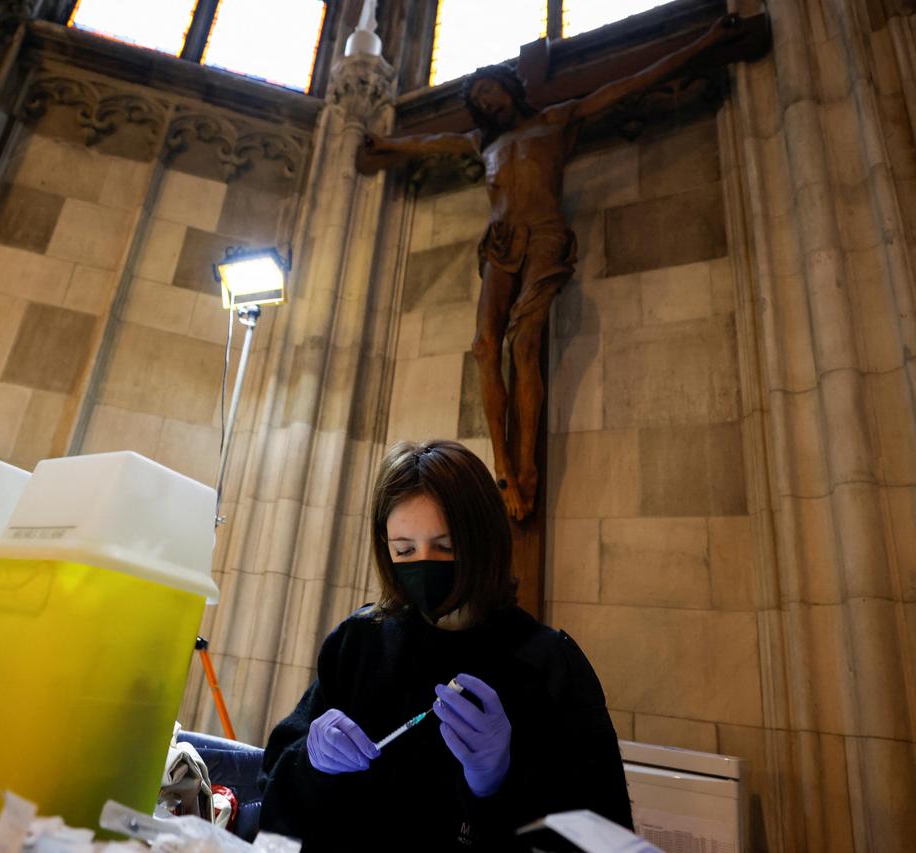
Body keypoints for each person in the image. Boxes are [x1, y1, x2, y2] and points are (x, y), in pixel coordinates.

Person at [356, 15, 745, 522]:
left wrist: (706, 40)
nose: (487, 101)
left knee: (524, 342)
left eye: (493, 89)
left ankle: (527, 468)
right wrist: (384, 146)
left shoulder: (558, 118)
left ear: (512, 89)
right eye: (479, 98)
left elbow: (631, 82)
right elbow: (428, 145)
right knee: (483, 348)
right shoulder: (483, 142)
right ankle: (501, 464)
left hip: (544, 234)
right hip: (498, 243)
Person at [257, 439, 630, 849]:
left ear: (483, 541)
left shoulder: (550, 665)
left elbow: (604, 836)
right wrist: (311, 763)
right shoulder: (359, 641)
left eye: (445, 546)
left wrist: (496, 783)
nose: (423, 564)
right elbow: (271, 796)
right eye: (404, 549)